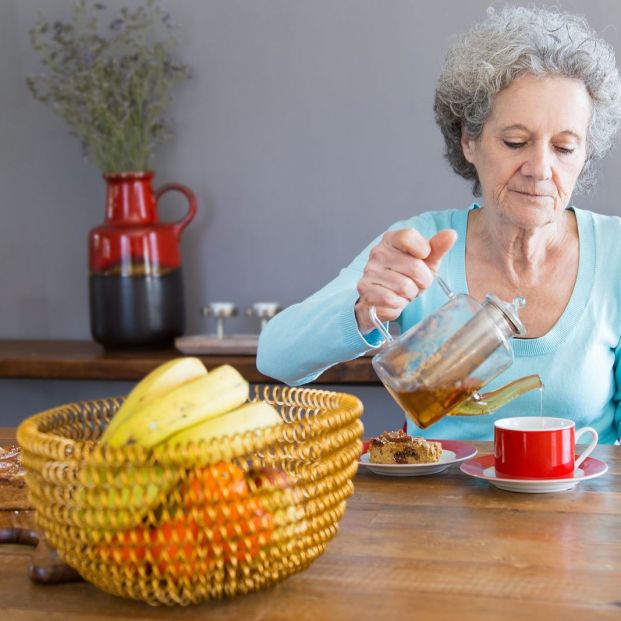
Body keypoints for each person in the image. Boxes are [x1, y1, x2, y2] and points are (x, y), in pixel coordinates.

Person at [257, 5, 621, 444]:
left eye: (565, 147)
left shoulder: (614, 255)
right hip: (438, 510)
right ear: (469, 141)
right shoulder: (421, 249)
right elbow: (274, 357)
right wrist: (364, 307)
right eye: (515, 142)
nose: (540, 168)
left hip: (579, 507)